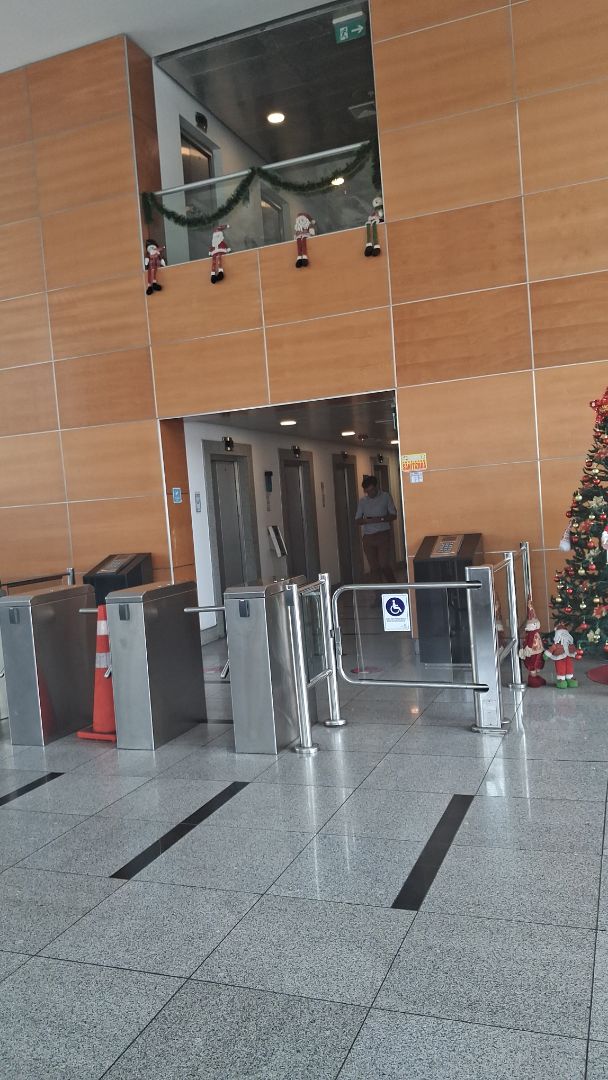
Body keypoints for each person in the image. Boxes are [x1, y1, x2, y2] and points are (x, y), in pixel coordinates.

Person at [355, 475, 397, 583]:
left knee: (384, 564)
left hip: (383, 535)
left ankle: (393, 586)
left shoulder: (386, 496)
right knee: (374, 567)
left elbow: (393, 515)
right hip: (368, 537)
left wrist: (381, 519)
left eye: (372, 490)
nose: (370, 493)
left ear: (376, 487)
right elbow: (357, 520)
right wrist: (366, 520)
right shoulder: (362, 501)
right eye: (367, 491)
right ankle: (378, 591)